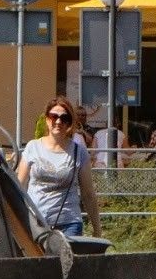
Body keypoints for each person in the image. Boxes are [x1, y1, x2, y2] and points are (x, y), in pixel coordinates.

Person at [16, 96, 103, 238]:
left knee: (65, 260)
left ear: (70, 122)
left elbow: (88, 193)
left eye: (64, 118)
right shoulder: (33, 147)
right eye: (54, 116)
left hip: (69, 224)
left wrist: (97, 229)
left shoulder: (78, 151)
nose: (58, 121)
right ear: (46, 119)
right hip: (36, 224)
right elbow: (19, 186)